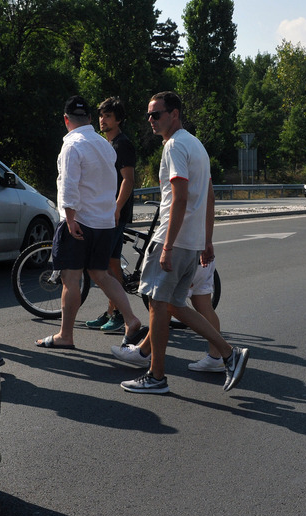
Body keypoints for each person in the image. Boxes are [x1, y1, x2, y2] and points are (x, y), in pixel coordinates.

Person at [115, 91, 248, 394]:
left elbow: (180, 197)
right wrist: (206, 239)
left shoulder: (175, 145)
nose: (151, 120)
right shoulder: (196, 145)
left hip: (174, 240)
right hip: (192, 240)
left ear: (174, 114)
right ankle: (229, 353)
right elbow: (208, 195)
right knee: (175, 305)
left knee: (158, 306)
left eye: (156, 114)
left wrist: (167, 246)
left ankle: (156, 376)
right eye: (148, 114)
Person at [35, 96, 143, 349]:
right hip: (104, 222)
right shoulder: (105, 145)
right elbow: (113, 182)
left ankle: (65, 335)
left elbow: (69, 184)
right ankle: (131, 318)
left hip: (80, 221)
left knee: (71, 279)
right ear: (90, 119)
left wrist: (70, 218)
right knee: (101, 274)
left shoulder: (72, 145)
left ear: (65, 120)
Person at [110, 258, 224, 372]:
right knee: (204, 306)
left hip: (183, 259)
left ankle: (143, 353)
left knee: (165, 305)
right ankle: (216, 356)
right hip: (202, 259)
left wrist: (167, 249)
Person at [85, 97, 139, 334]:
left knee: (103, 264)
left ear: (118, 119)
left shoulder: (122, 144)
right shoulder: (107, 144)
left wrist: (116, 208)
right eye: (101, 115)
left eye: (108, 116)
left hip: (115, 212)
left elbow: (128, 179)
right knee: (111, 263)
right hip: (108, 211)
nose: (102, 120)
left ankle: (117, 313)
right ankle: (112, 312)